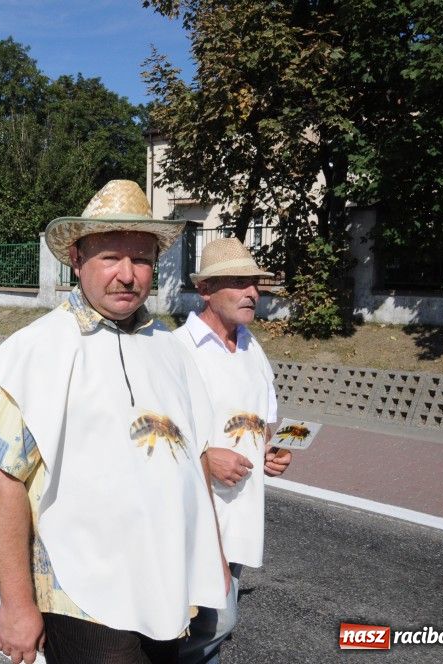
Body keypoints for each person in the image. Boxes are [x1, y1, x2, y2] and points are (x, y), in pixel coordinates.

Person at [0, 180, 229, 664]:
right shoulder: (39, 350)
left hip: (166, 580)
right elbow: (2, 480)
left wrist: (209, 559)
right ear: (76, 260)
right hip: (82, 594)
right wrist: (17, 604)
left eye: (142, 259)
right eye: (111, 257)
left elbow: (195, 464)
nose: (128, 275)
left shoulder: (171, 348)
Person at [174, 238, 292, 663]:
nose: (252, 293)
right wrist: (205, 459)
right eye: (239, 283)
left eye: (255, 284)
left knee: (211, 625)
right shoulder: (178, 350)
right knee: (213, 622)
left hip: (240, 510)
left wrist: (273, 452)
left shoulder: (250, 347)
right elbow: (155, 438)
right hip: (197, 514)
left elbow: (265, 418)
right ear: (206, 290)